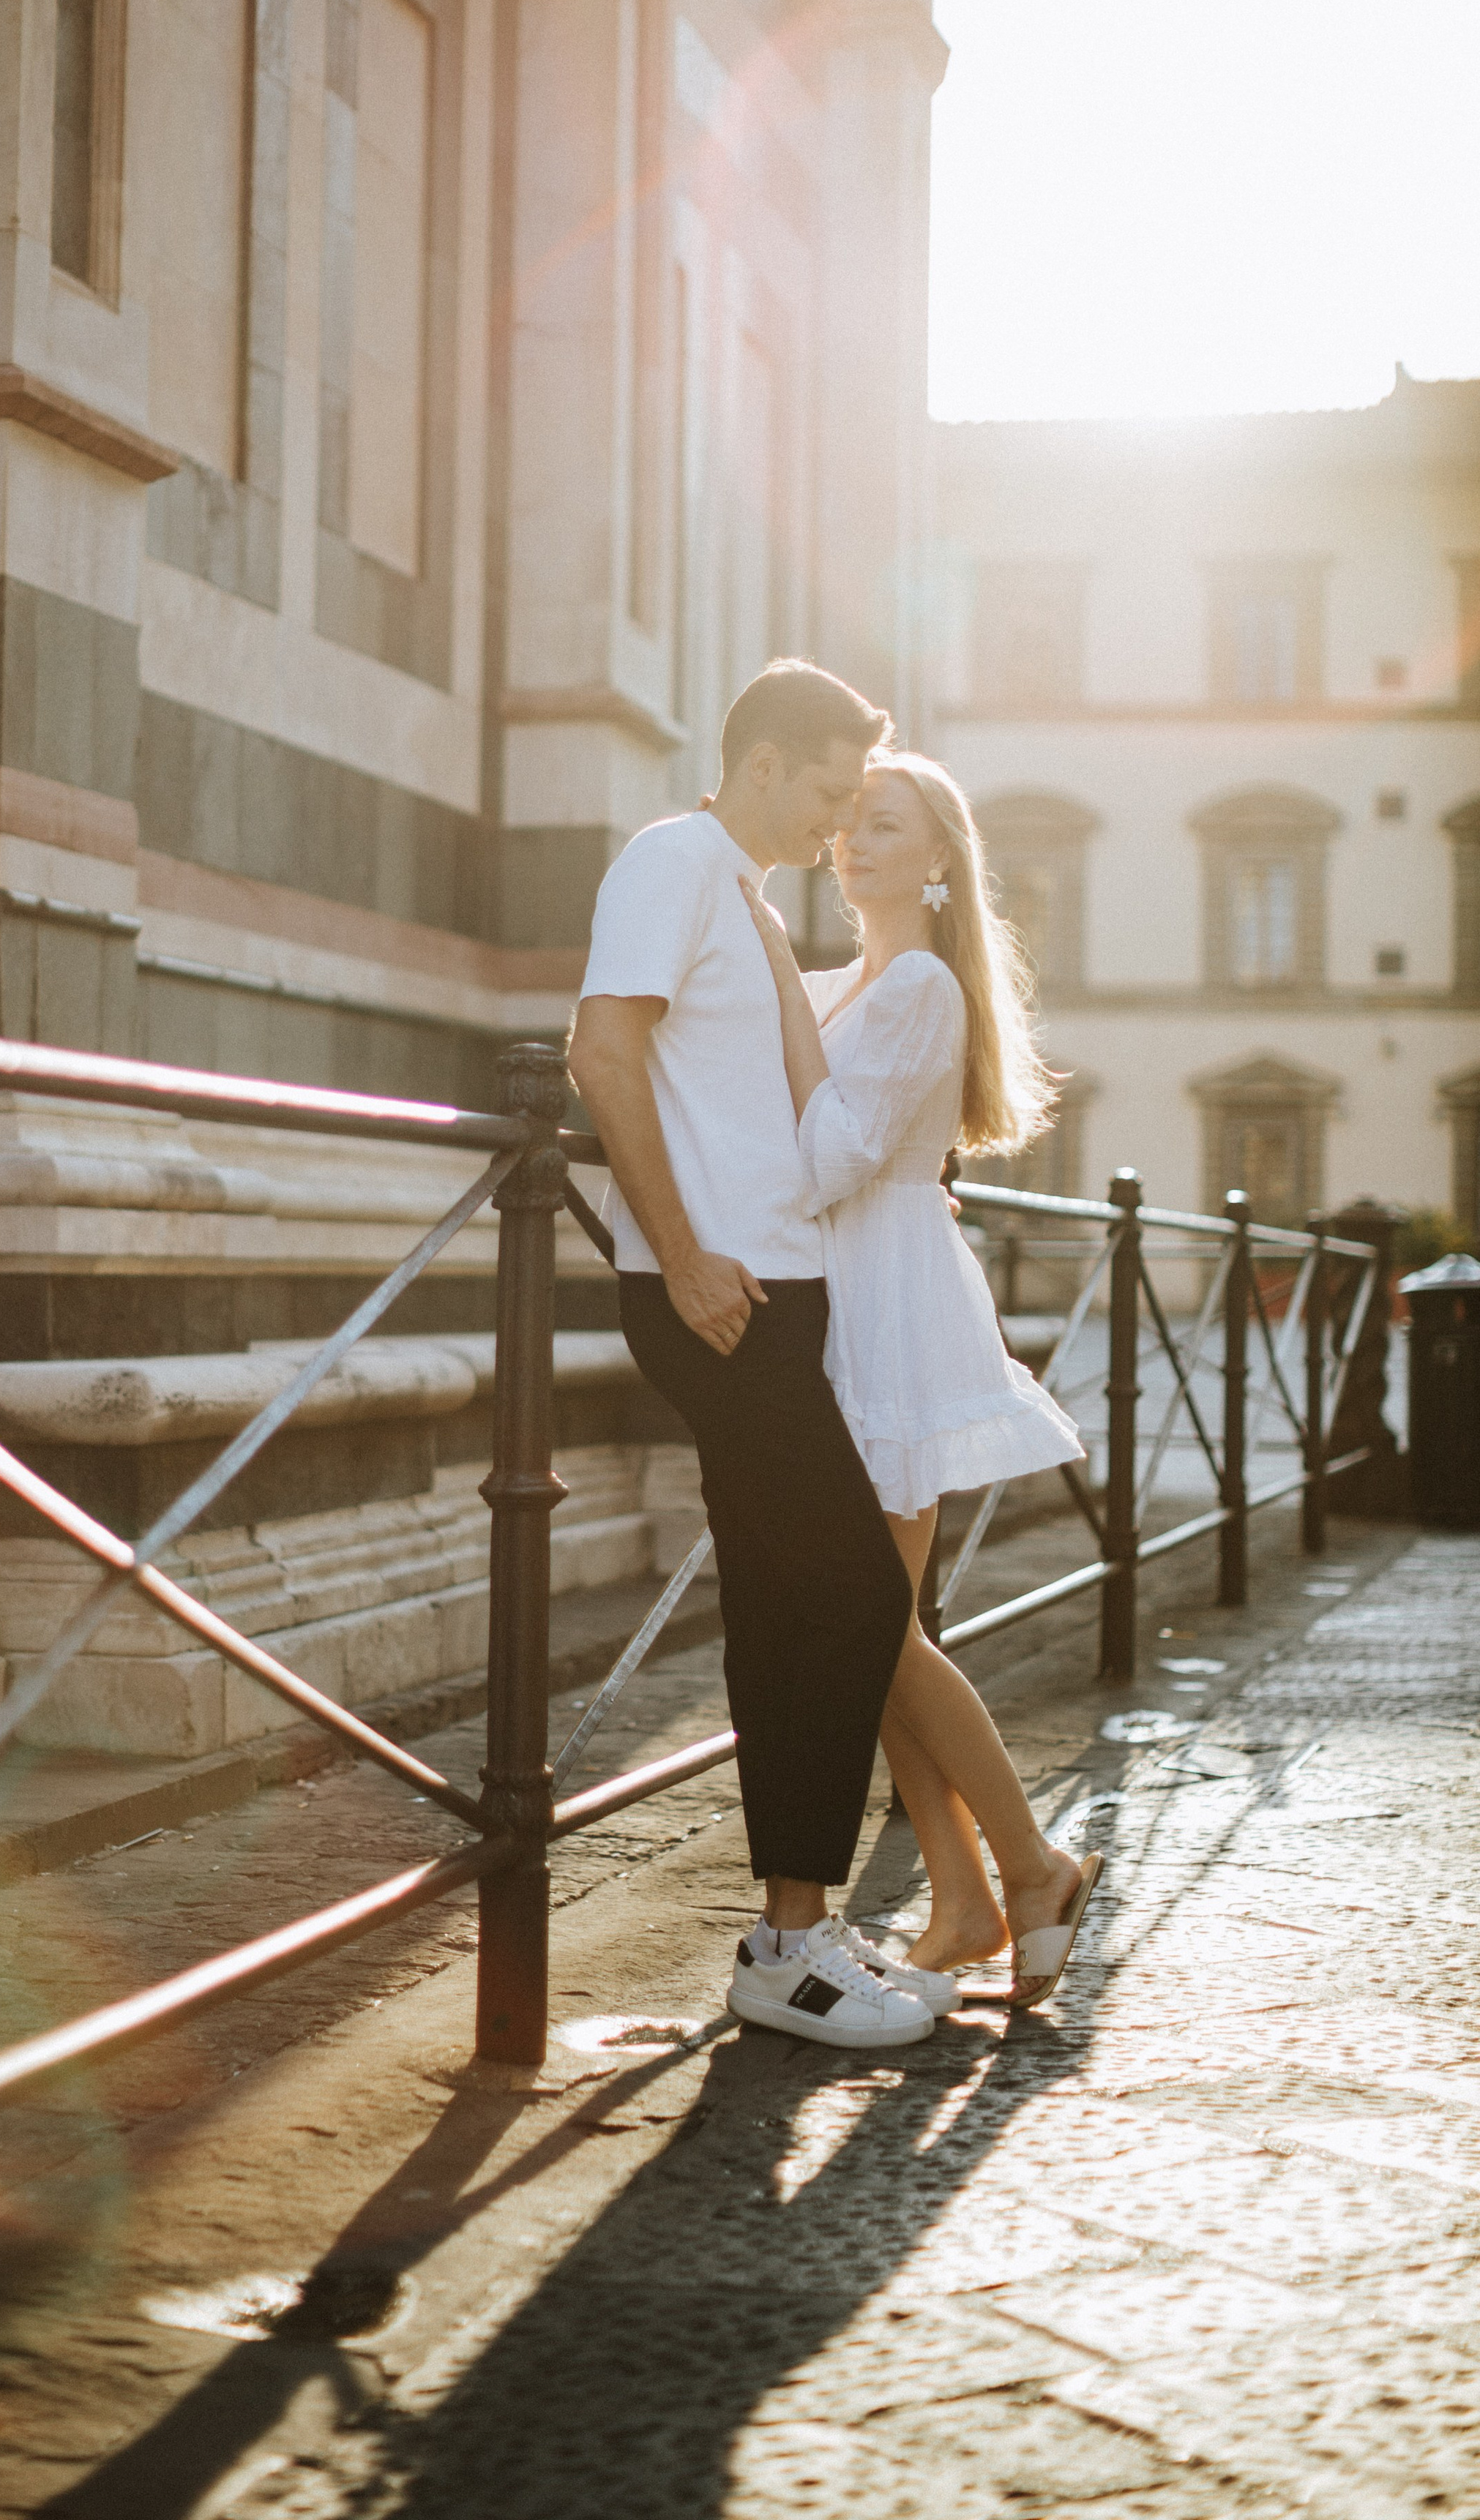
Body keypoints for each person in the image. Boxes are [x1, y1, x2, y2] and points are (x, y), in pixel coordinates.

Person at [567, 661, 939, 2051]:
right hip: (719, 1298)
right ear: (769, 766)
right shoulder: (674, 861)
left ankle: (793, 1937)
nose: (840, 821)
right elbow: (602, 1056)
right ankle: (793, 1944)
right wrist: (677, 1250)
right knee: (850, 1594)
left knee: (793, 1602)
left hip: (777, 1291)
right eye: (832, 791)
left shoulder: (742, 893)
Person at [736, 748, 1102, 2006]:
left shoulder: (922, 988)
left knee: (873, 1631)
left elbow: (832, 1158)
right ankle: (965, 1891)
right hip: (842, 1305)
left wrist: (781, 982)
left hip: (890, 1308)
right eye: (846, 822)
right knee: (866, 1633)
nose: (852, 841)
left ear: (942, 858)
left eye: (883, 824)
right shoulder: (856, 985)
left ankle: (1030, 1864)